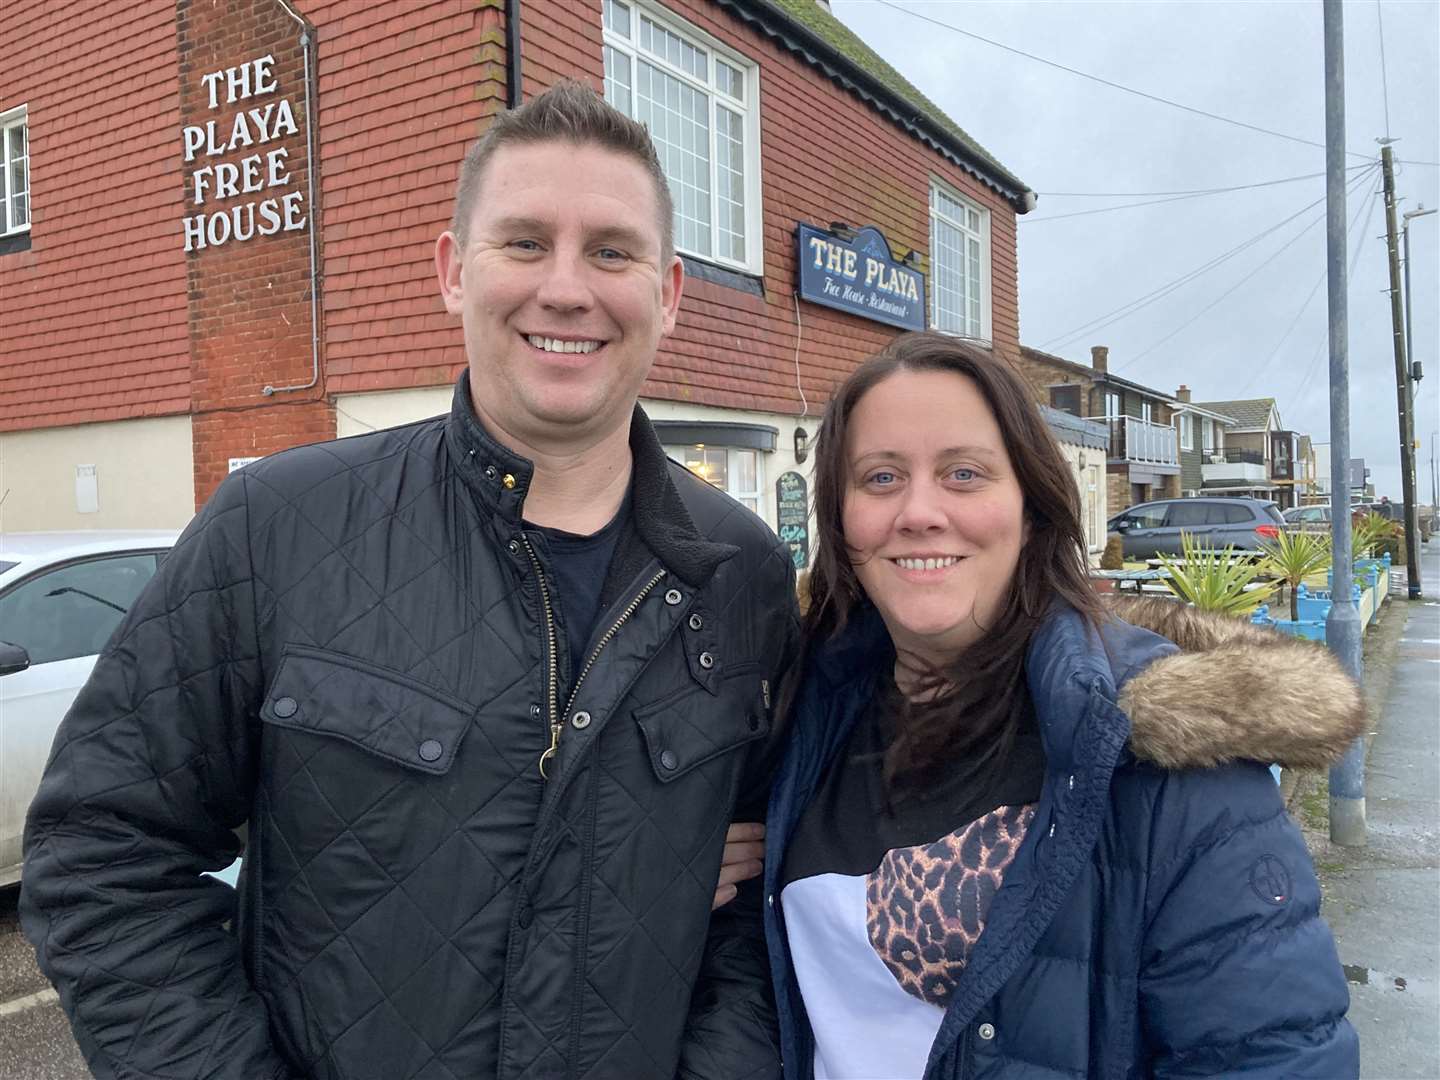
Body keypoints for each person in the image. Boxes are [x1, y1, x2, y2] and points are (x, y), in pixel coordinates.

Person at [22, 81, 796, 1080]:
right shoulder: (279, 527)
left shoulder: (745, 577)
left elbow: (762, 913)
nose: (566, 288)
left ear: (670, 293)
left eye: (612, 250)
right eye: (523, 242)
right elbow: (102, 855)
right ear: (450, 271)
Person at [759, 332, 1364, 1079]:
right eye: (881, 477)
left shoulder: (1164, 759)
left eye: (964, 474)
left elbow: (1268, 1060)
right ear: (840, 518)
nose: (918, 511)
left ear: (1032, 509)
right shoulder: (799, 712)